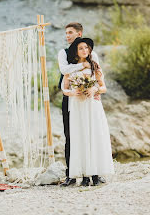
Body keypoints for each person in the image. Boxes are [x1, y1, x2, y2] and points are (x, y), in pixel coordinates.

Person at [62, 37, 114, 186]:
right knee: (80, 137)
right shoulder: (71, 68)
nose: (84, 50)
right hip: (78, 106)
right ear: (76, 52)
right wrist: (73, 92)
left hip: (92, 105)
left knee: (94, 136)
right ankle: (84, 176)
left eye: (86, 48)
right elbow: (64, 89)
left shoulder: (95, 66)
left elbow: (103, 87)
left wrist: (95, 88)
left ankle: (96, 175)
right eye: (81, 48)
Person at [58, 23, 100, 187]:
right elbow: (63, 69)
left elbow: (97, 74)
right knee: (70, 135)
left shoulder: (93, 54)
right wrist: (81, 65)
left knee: (91, 134)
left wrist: (95, 90)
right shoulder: (64, 52)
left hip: (89, 99)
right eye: (66, 33)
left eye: (70, 33)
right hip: (70, 97)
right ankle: (71, 174)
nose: (67, 36)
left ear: (79, 33)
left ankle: (94, 172)